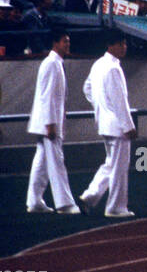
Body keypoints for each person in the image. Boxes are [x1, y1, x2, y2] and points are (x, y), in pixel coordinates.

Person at [80, 30, 135, 218]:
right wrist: (129, 126)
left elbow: (87, 88)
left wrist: (99, 105)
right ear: (110, 46)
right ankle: (116, 207)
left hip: (104, 122)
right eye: (121, 44)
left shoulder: (98, 64)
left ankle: (90, 195)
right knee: (119, 167)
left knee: (111, 164)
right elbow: (119, 101)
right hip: (117, 125)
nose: (124, 47)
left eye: (124, 43)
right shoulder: (113, 68)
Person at [26, 30, 78, 214]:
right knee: (57, 162)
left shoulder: (55, 63)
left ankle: (34, 201)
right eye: (65, 41)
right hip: (48, 123)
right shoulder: (51, 64)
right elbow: (46, 96)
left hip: (49, 122)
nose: (68, 44)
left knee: (41, 162)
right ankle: (64, 203)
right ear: (55, 43)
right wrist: (50, 124)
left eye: (68, 41)